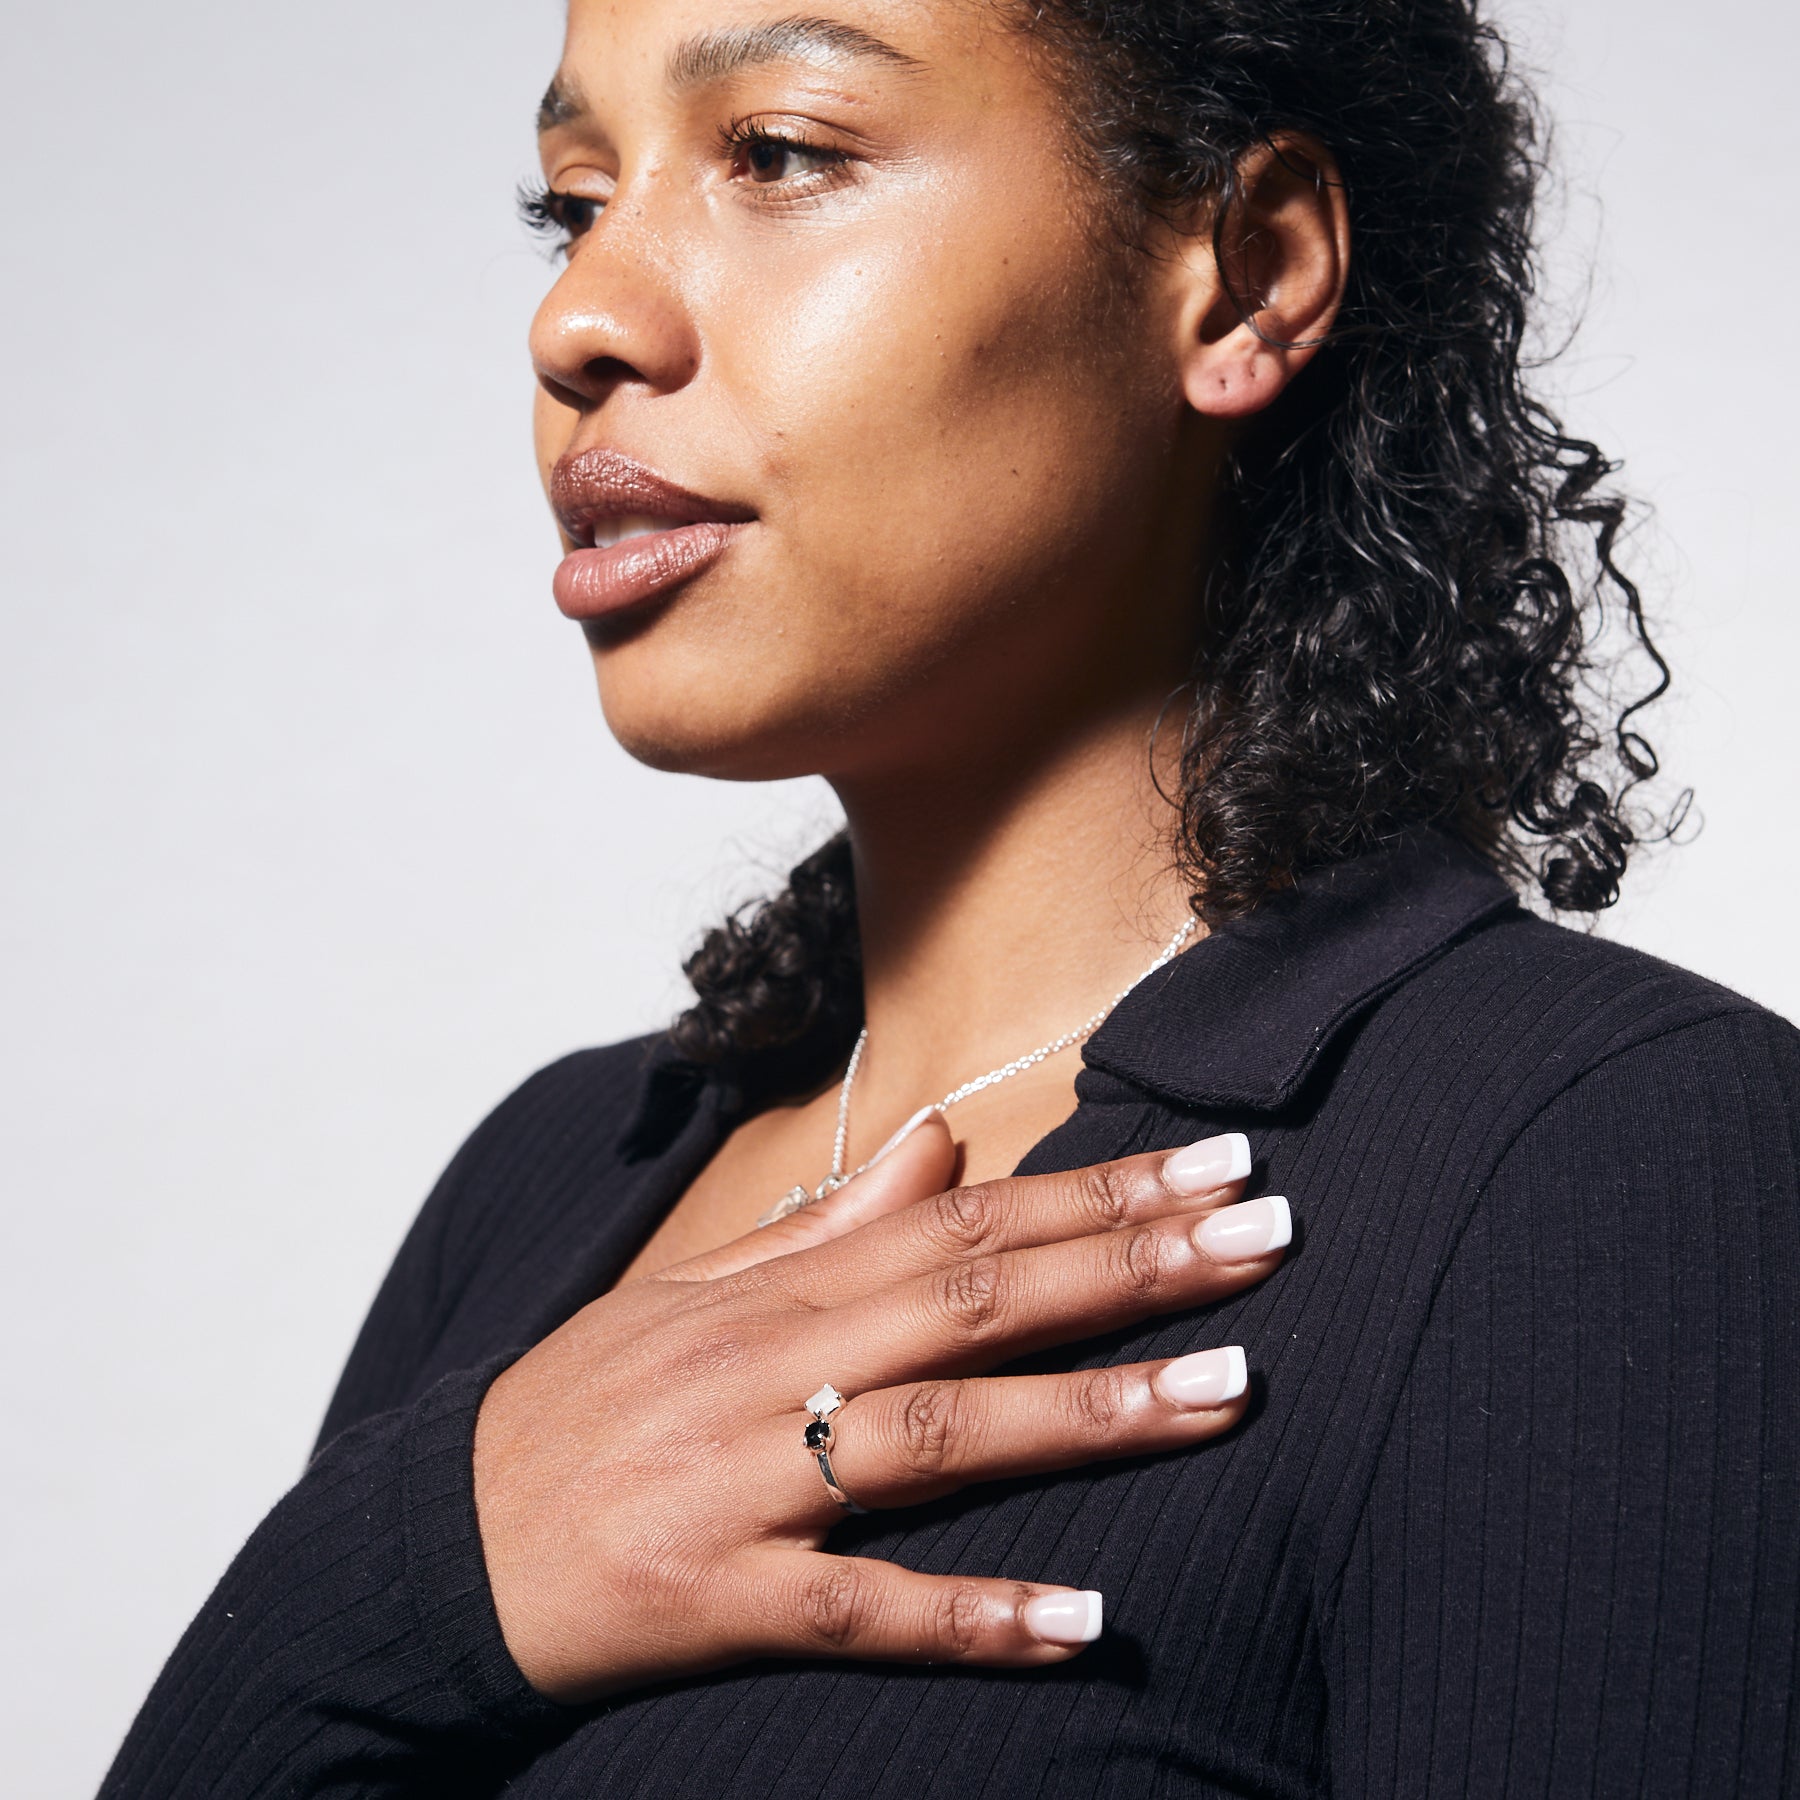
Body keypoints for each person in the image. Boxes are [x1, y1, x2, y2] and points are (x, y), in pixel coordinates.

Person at [100, 0, 1798, 1794]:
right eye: (573, 199)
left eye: (779, 153)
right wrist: (415, 1565)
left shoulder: (1613, 1167)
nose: (579, 317)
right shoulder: (555, 1173)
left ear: (1243, 273)